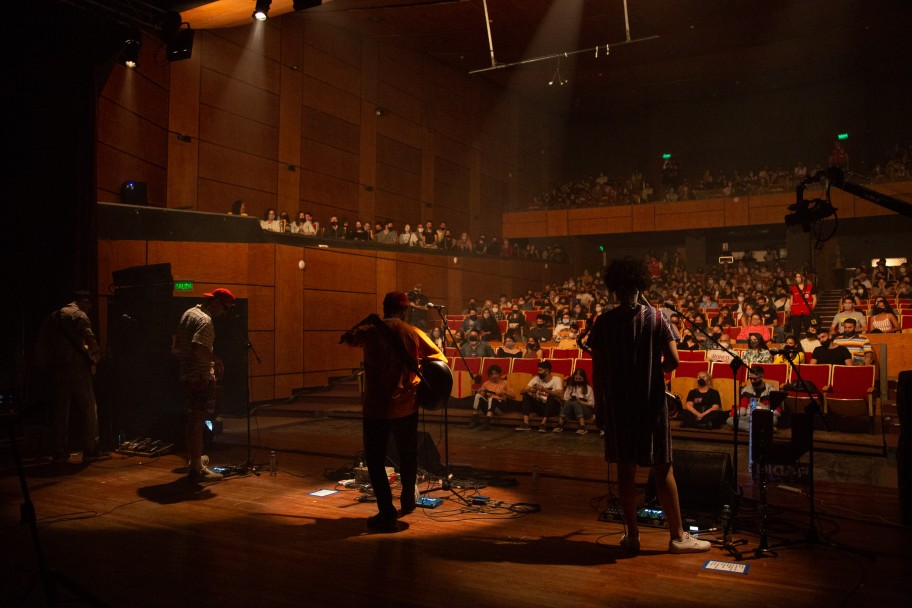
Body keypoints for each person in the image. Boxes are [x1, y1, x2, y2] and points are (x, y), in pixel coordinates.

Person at [587, 258, 710, 555]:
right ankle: (678, 537)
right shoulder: (656, 318)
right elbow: (674, 362)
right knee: (662, 469)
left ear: (614, 288)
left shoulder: (603, 323)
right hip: (650, 404)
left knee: (625, 472)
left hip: (617, 406)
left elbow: (599, 372)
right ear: (642, 284)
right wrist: (653, 370)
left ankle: (631, 536)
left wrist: (601, 409)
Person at [340, 291, 445, 531]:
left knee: (375, 460)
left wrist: (364, 323)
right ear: (404, 310)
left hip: (376, 407)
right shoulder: (412, 332)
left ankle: (386, 510)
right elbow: (438, 358)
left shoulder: (370, 332)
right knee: (408, 455)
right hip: (406, 405)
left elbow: (346, 339)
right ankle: (408, 499)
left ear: (384, 308)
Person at [35, 290, 110, 464]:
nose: (89, 309)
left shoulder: (53, 317)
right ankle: (91, 448)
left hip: (58, 370)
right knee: (89, 407)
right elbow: (90, 340)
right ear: (84, 301)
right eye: (89, 305)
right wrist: (97, 359)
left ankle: (59, 449)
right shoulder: (78, 315)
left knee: (61, 409)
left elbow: (42, 344)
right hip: (77, 368)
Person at [174, 288, 236, 481]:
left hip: (186, 374)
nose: (224, 313)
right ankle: (196, 467)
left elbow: (176, 347)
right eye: (225, 308)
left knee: (193, 418)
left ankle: (195, 459)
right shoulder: (205, 321)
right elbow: (198, 347)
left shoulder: (189, 313)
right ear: (216, 302)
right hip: (199, 376)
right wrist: (215, 360)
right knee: (198, 419)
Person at [727, 367, 780, 432]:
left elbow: (776, 411)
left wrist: (765, 409)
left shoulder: (771, 391)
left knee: (774, 420)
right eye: (750, 378)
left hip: (764, 417)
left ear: (762, 377)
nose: (752, 381)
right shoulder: (746, 390)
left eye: (754, 379)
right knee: (730, 420)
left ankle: (753, 428)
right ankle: (761, 428)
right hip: (749, 417)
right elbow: (741, 408)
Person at [515, 360, 563, 432]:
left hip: (553, 408)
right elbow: (522, 391)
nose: (538, 372)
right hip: (540, 407)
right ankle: (526, 423)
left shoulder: (556, 379)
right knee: (526, 395)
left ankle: (543, 423)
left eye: (540, 370)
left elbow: (560, 394)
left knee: (551, 397)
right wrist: (530, 390)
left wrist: (545, 390)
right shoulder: (536, 379)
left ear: (546, 371)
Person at [469, 364, 515, 430]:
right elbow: (481, 393)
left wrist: (505, 392)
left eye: (496, 374)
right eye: (492, 374)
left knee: (492, 399)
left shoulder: (505, 383)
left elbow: (513, 396)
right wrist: (480, 392)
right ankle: (474, 420)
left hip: (499, 408)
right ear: (489, 375)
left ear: (499, 374)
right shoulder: (486, 383)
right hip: (488, 407)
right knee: (477, 396)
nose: (494, 376)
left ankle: (487, 423)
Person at [554, 369, 595, 435]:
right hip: (572, 410)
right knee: (571, 401)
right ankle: (560, 424)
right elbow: (565, 399)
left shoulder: (588, 388)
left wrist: (580, 402)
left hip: (585, 411)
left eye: (580, 379)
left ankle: (582, 426)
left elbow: (592, 404)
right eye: (576, 379)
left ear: (583, 378)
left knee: (576, 402)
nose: (578, 380)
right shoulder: (570, 387)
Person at [789, 272, 817, 338]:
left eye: (799, 276)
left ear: (803, 277)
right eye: (796, 277)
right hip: (796, 311)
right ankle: (796, 345)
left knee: (809, 329)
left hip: (807, 311)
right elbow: (791, 299)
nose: (797, 278)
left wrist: (812, 308)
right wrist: (792, 309)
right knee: (796, 330)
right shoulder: (793, 288)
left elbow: (814, 298)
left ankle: (811, 343)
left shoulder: (810, 287)